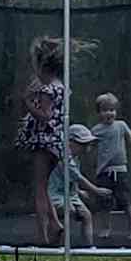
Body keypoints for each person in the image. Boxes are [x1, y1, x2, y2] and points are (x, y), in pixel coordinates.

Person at [19, 35, 67, 239]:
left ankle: (42, 234)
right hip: (55, 143)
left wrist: (28, 101)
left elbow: (45, 116)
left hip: (44, 143)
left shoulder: (48, 89)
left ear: (42, 65)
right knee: (44, 185)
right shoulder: (60, 85)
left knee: (38, 188)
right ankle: (55, 224)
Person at [91, 90, 131, 243]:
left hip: (120, 170)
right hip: (104, 171)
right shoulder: (96, 130)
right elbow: (89, 146)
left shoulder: (121, 126)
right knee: (105, 203)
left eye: (112, 110)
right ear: (99, 112)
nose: (109, 113)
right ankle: (106, 228)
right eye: (105, 110)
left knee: (125, 200)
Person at [48, 124, 105, 247]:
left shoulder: (76, 158)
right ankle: (60, 247)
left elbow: (71, 180)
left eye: (87, 144)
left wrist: (79, 191)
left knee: (86, 215)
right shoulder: (63, 157)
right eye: (82, 144)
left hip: (71, 195)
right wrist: (97, 190)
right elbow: (77, 176)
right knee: (69, 212)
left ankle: (89, 247)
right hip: (55, 194)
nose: (86, 148)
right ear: (70, 142)